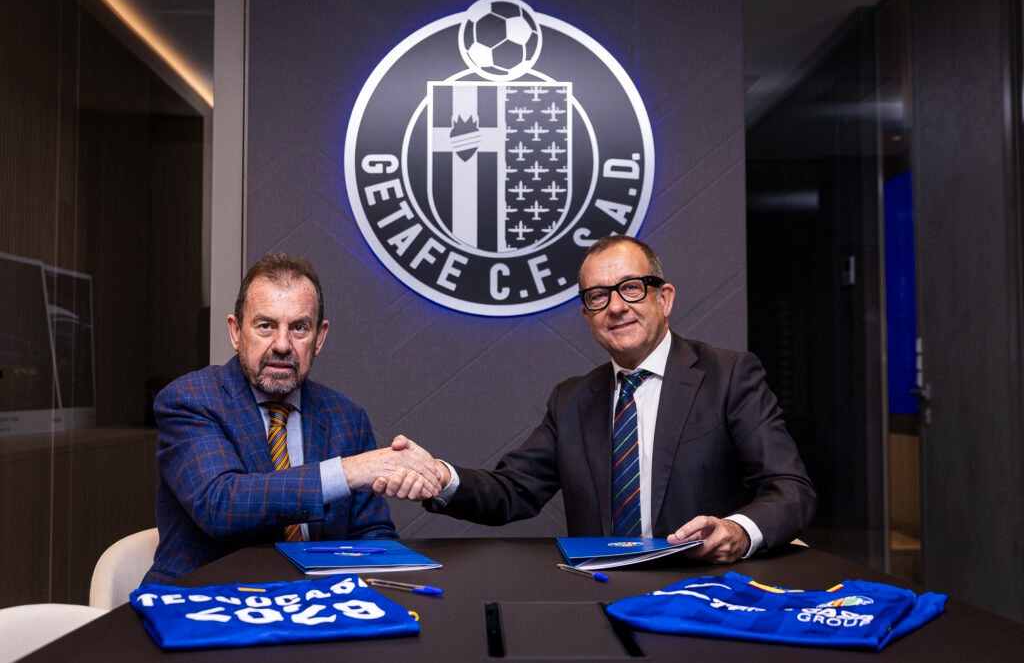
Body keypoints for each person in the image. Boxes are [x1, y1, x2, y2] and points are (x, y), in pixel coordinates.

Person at [379, 235, 815, 563]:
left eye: (631, 288)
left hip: (706, 591)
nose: (616, 307)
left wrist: (738, 531)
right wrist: (441, 476)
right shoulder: (572, 400)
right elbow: (513, 491)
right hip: (602, 592)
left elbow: (791, 489)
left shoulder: (729, 375)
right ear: (586, 315)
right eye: (598, 296)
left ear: (664, 298)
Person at [143, 253, 440, 583]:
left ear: (319, 338)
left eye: (299, 328)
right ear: (236, 331)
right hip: (204, 600)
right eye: (265, 326)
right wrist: (350, 471)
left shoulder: (347, 418)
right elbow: (220, 504)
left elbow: (371, 533)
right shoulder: (191, 399)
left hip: (319, 603)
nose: (282, 345)